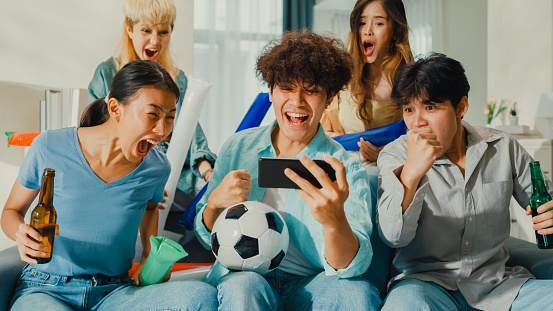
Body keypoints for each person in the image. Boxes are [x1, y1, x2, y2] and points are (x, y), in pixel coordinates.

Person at [1, 60, 217, 310]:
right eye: (152, 114)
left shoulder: (157, 167)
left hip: (114, 292)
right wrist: (19, 232)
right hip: (46, 288)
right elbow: (10, 212)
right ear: (115, 108)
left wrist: (149, 252)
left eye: (170, 118)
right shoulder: (49, 146)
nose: (162, 130)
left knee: (202, 297)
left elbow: (150, 207)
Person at [193, 30, 381, 310]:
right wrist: (213, 205)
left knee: (357, 293)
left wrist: (334, 221)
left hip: (311, 283)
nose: (297, 101)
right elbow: (207, 234)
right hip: (247, 278)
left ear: (328, 99)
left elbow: (350, 267)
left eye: (312, 90)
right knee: (244, 286)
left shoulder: (343, 167)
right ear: (270, 92)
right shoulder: (237, 148)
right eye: (287, 88)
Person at [377, 53, 553, 311]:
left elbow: (544, 201)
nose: (417, 122)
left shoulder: (502, 147)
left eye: (430, 107)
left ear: (461, 107)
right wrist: (411, 174)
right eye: (408, 109)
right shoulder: (394, 155)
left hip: (498, 285)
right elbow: (393, 236)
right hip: (424, 286)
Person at [88, 0, 216, 246]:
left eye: (163, 32)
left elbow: (191, 133)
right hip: (126, 161)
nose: (155, 41)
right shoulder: (107, 73)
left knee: (213, 187)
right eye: (146, 30)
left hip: (173, 164)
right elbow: (97, 132)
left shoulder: (177, 79)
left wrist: (208, 171)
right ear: (130, 30)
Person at [321, 0, 413, 165]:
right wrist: (326, 137)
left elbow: (422, 140)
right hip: (343, 171)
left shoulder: (410, 83)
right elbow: (320, 131)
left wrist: (384, 154)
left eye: (378, 23)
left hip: (387, 175)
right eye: (362, 23)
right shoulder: (339, 79)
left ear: (395, 31)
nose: (367, 31)